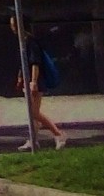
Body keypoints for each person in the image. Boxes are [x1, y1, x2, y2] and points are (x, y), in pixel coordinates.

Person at [20, 18, 68, 149]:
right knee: (33, 113)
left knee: (34, 113)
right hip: (28, 80)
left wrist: (34, 82)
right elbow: (25, 62)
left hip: (35, 81)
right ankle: (33, 140)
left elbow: (35, 63)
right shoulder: (24, 42)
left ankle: (58, 134)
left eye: (14, 24)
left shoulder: (31, 42)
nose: (12, 27)